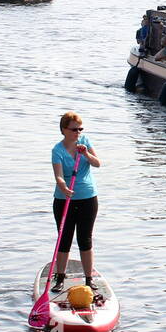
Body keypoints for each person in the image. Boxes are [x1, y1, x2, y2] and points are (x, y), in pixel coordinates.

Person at [49, 111, 102, 292]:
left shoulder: (84, 142)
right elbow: (58, 176)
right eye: (74, 129)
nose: (77, 132)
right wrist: (63, 187)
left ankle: (89, 279)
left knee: (85, 239)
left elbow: (97, 163)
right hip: (64, 200)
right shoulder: (57, 151)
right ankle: (60, 278)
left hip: (88, 198)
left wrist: (86, 154)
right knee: (64, 239)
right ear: (64, 130)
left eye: (80, 129)